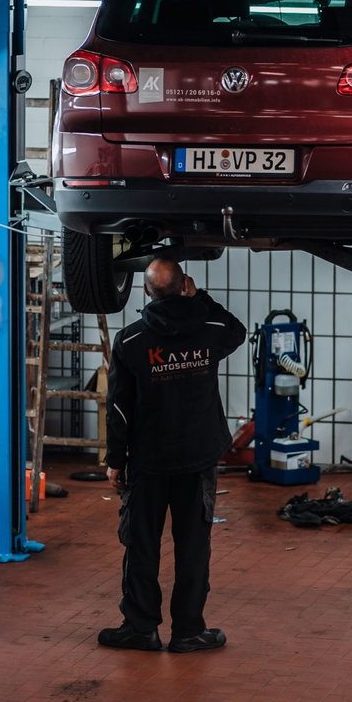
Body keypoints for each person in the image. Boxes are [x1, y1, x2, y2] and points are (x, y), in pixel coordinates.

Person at [99, 257, 246, 654]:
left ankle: (141, 629)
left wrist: (115, 459)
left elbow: (118, 407)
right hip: (198, 460)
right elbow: (238, 330)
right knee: (193, 547)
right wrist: (201, 299)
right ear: (185, 286)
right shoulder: (211, 328)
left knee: (142, 545)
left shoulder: (130, 341)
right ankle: (188, 632)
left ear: (146, 291)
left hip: (148, 461)